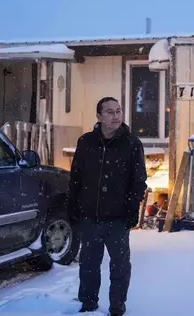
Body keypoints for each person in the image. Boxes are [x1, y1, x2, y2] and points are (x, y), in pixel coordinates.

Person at [67, 97, 148, 315]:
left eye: (119, 111)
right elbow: (76, 178)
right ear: (99, 116)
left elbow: (139, 181)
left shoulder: (131, 144)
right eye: (110, 112)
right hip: (90, 217)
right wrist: (72, 205)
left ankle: (117, 306)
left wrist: (132, 208)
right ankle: (88, 304)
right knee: (89, 265)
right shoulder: (86, 142)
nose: (116, 116)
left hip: (117, 218)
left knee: (120, 265)